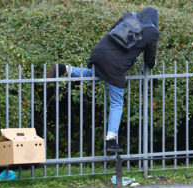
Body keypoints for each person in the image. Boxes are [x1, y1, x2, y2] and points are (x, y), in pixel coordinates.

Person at [47, 7, 160, 152]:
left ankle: (64, 69)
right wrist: (151, 62)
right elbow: (149, 61)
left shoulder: (129, 16)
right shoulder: (152, 32)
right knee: (117, 104)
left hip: (100, 52)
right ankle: (111, 140)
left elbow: (113, 30)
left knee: (96, 76)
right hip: (115, 65)